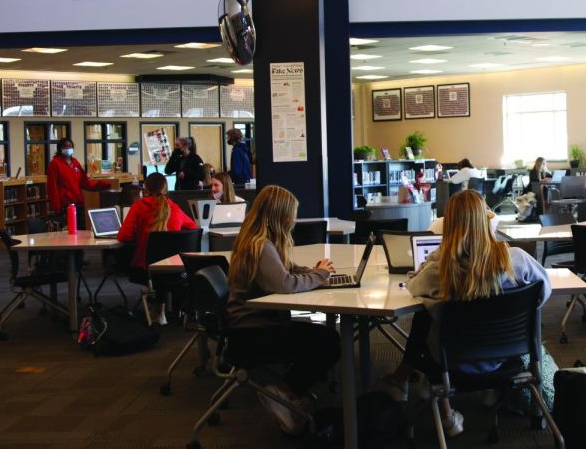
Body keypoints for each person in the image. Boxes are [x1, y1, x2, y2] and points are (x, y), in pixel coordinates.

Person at [380, 190, 550, 438]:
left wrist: (440, 255)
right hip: (505, 355)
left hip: (452, 362)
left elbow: (413, 288)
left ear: (448, 225)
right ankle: (494, 394)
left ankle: (440, 411)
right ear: (487, 220)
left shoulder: (439, 272)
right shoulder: (518, 260)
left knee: (426, 318)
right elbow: (542, 295)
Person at [226, 185, 340, 435]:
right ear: (280, 215)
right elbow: (285, 284)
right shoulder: (261, 246)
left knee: (322, 337)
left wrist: (313, 272)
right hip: (254, 331)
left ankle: (288, 392)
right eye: (291, 214)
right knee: (328, 342)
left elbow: (286, 271)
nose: (293, 220)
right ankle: (283, 393)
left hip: (251, 325)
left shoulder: (257, 241)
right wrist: (319, 275)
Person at [117, 173, 198, 324]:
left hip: (147, 270)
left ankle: (159, 310)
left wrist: (139, 233)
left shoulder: (138, 207)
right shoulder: (174, 207)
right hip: (177, 271)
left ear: (145, 189)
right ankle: (169, 310)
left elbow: (123, 236)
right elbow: (192, 227)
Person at [46, 137, 111, 229]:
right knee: (69, 233)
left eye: (70, 146)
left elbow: (85, 183)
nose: (68, 148)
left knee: (81, 231)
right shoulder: (55, 164)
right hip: (65, 205)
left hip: (79, 203)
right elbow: (52, 187)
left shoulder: (75, 162)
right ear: (60, 148)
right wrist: (57, 207)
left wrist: (102, 184)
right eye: (65, 146)